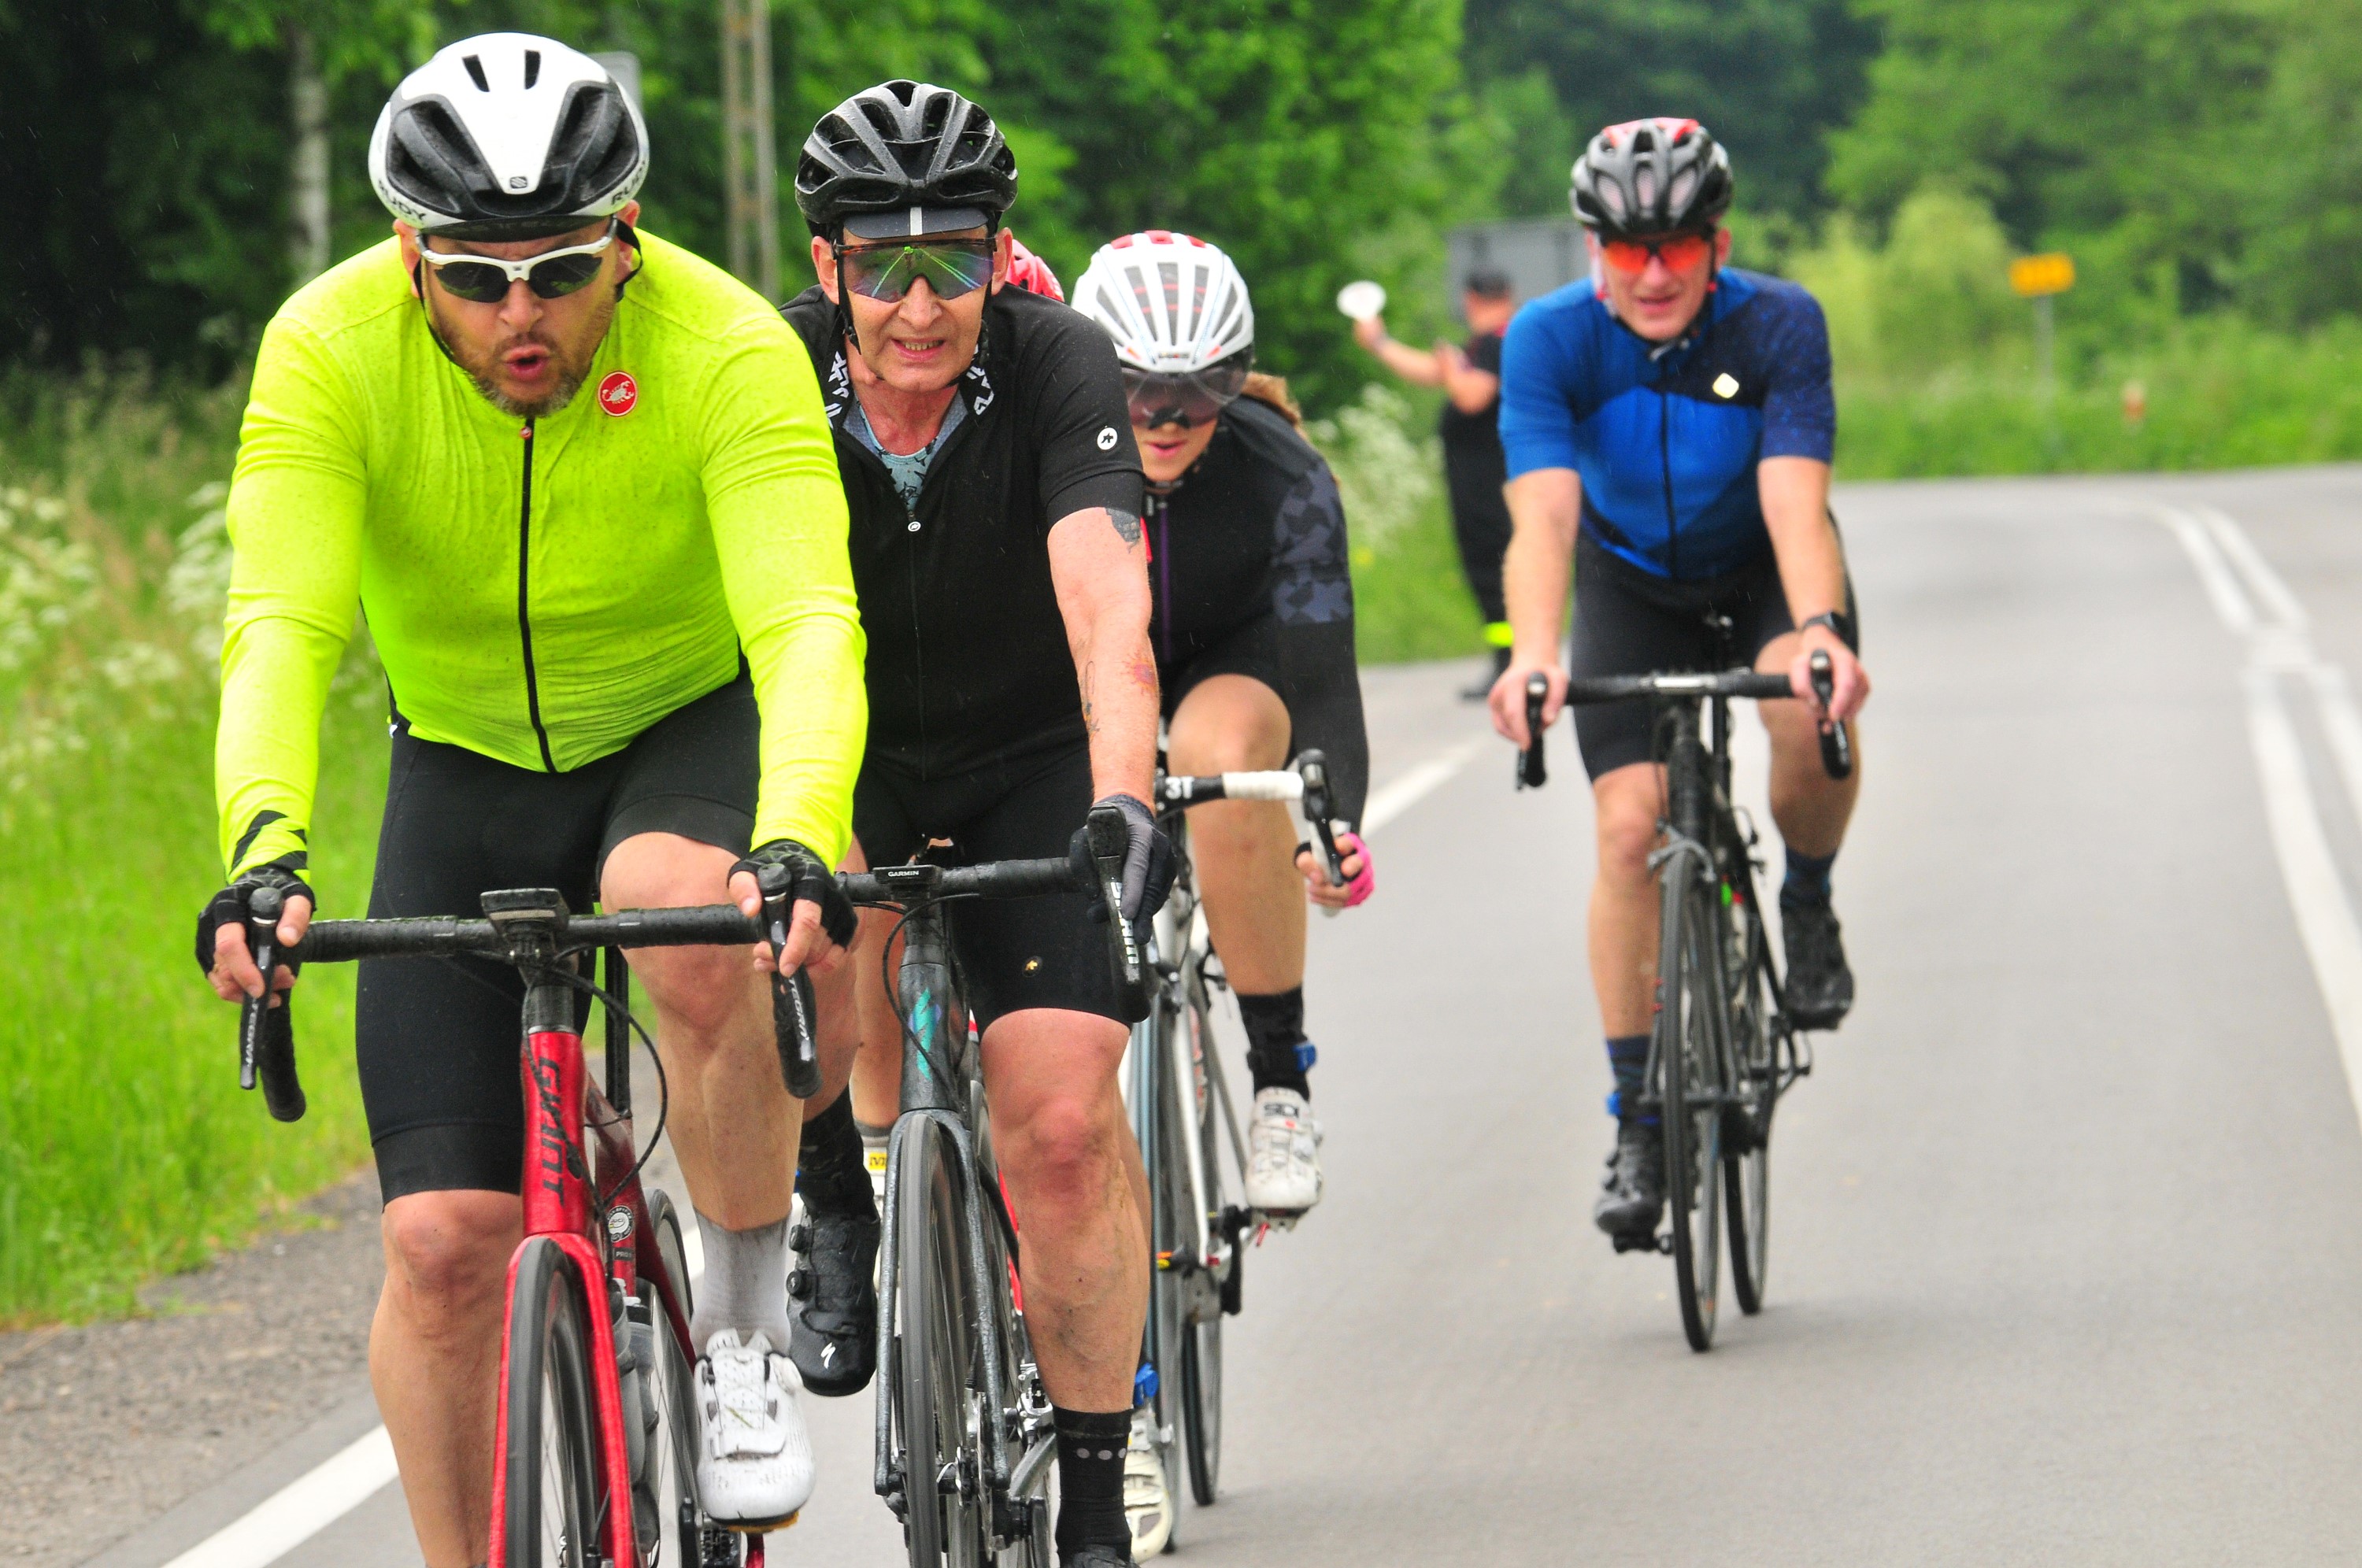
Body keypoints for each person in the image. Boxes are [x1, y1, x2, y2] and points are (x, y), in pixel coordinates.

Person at [194, 34, 866, 1562]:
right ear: (406, 254)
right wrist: (264, 852)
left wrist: (795, 834)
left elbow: (803, 623)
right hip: (461, 755)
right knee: (442, 1244)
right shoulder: (327, 349)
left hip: (684, 723)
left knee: (682, 911)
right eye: (475, 277)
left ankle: (743, 1336)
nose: (521, 314)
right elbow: (280, 625)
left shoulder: (728, 343)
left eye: (560, 271)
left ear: (626, 238)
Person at [779, 80, 1168, 1568]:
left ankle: (1095, 1493)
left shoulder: (1060, 357)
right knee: (799, 952)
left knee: (1060, 1129)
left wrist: (1124, 795)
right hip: (848, 755)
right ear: (829, 266)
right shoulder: (773, 371)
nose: (921, 302)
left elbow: (1108, 604)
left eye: (954, 258)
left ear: (1001, 256)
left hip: (1031, 759)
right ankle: (834, 1186)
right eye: (884, 265)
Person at [1486, 117, 1870, 1242]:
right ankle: (1641, 1118)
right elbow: (1542, 518)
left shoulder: (1780, 322)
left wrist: (1819, 633)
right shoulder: (1548, 340)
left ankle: (1807, 900)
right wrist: (1535, 653)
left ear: (1719, 245)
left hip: (1761, 576)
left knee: (1804, 710)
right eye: (1627, 248)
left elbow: (1796, 504)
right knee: (1628, 830)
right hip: (1629, 586)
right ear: (1593, 250)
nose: (1653, 274)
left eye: (1679, 247)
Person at [1072, 229, 1375, 1555]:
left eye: (1197, 389)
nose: (1164, 415)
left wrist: (1332, 820)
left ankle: (1279, 1078)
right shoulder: (1040, 455)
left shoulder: (1282, 472)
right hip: (1080, 677)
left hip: (1228, 668)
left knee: (1224, 756)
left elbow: (1325, 679)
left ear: (1237, 381)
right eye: (1137, 387)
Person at [1352, 265, 1519, 697]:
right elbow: (1432, 371)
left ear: (1470, 300)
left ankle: (1510, 661)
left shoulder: (1498, 341)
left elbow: (1471, 395)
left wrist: (1450, 368)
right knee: (1487, 568)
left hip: (1489, 484)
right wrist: (1380, 343)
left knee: (1493, 568)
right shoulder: (1486, 343)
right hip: (1479, 483)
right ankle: (1505, 658)